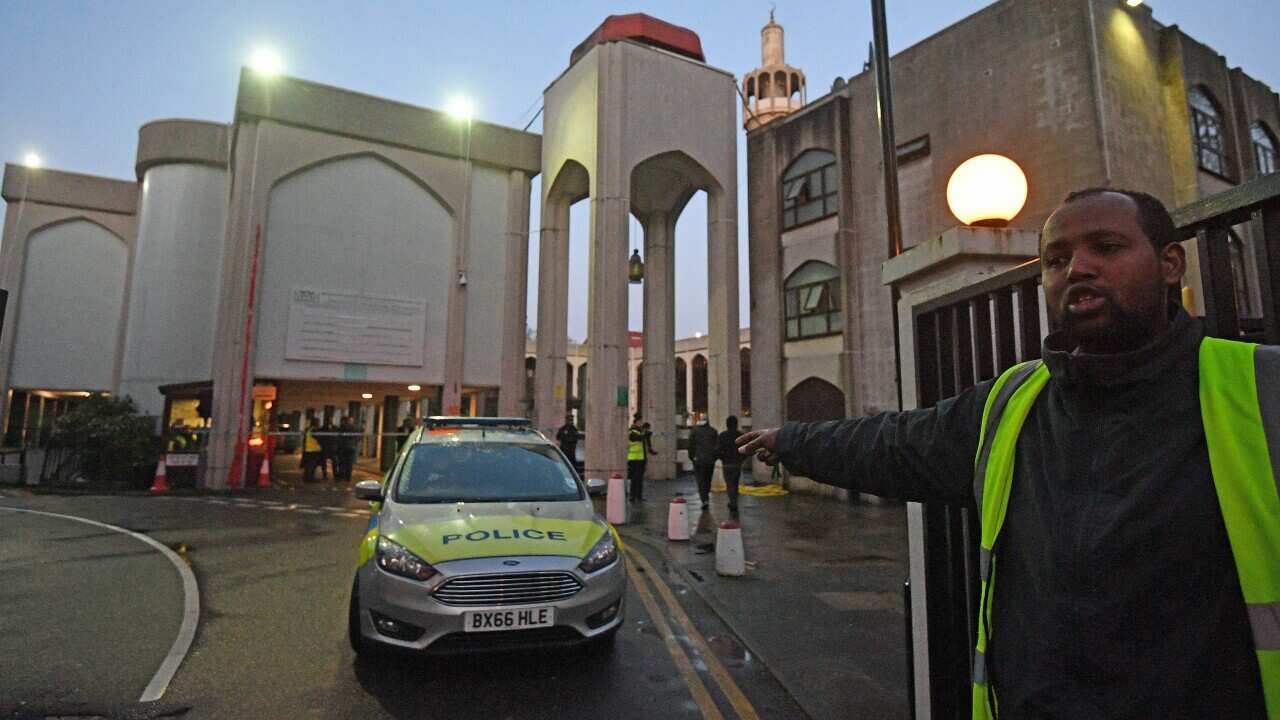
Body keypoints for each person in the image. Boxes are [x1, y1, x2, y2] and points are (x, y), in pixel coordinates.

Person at [737, 188, 1278, 719]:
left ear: (1170, 264)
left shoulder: (1259, 388)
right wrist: (790, 442)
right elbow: (895, 442)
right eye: (1057, 259)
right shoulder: (1015, 402)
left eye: (1107, 248)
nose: (1078, 269)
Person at [689, 414, 719, 508]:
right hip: (710, 460)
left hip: (698, 460)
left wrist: (692, 457)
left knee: (700, 480)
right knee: (708, 479)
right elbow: (717, 446)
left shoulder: (694, 431)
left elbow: (690, 445)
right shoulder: (713, 431)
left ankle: (704, 499)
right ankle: (706, 497)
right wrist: (714, 457)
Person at [716, 415, 743, 516]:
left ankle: (733, 502)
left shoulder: (723, 436)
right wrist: (741, 460)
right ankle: (733, 501)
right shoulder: (740, 435)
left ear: (727, 424)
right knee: (735, 484)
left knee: (729, 484)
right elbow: (746, 450)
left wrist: (722, 458)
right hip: (737, 464)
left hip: (727, 464)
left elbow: (718, 450)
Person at [627, 415, 646, 502]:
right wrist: (645, 434)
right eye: (640, 422)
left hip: (641, 458)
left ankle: (639, 496)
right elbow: (639, 438)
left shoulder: (639, 431)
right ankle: (632, 496)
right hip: (634, 459)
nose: (641, 424)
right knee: (635, 479)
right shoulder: (632, 432)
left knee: (640, 478)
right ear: (636, 422)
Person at [335, 415, 358, 483]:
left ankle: (341, 476)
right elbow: (357, 437)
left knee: (342, 463)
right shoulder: (354, 428)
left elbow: (338, 437)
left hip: (343, 448)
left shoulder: (342, 427)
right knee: (349, 463)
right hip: (352, 448)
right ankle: (348, 477)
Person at [318, 417, 336, 481]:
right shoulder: (322, 428)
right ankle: (325, 474)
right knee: (324, 462)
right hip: (325, 447)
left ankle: (335, 474)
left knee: (334, 461)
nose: (329, 421)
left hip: (332, 447)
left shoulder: (334, 428)